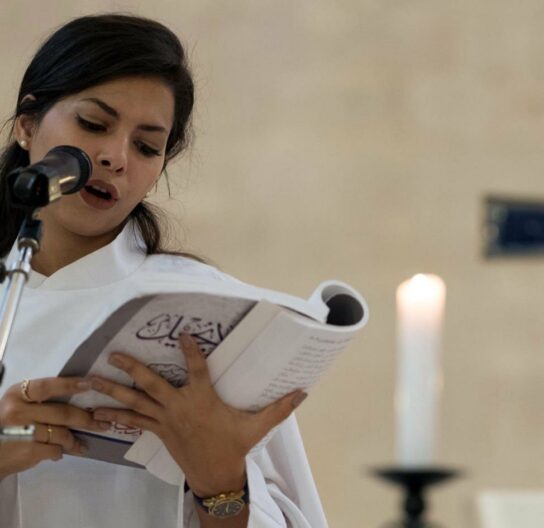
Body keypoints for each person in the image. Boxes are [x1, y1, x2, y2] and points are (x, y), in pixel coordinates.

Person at [0, 14, 327, 528]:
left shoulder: (207, 309)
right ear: (27, 124)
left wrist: (220, 482)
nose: (114, 157)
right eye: (93, 124)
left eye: (147, 146)